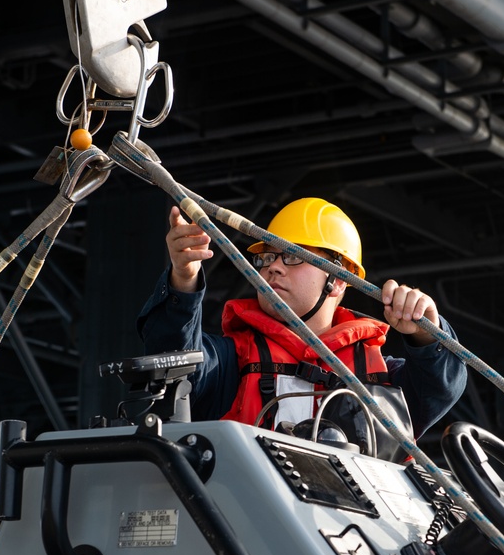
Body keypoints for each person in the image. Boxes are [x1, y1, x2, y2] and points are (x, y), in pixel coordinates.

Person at [136, 197, 466, 461]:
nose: (273, 267)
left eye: (292, 256)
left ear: (337, 280)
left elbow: (440, 385)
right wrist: (183, 279)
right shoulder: (228, 363)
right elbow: (174, 361)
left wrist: (427, 330)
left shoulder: (382, 380)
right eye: (266, 258)